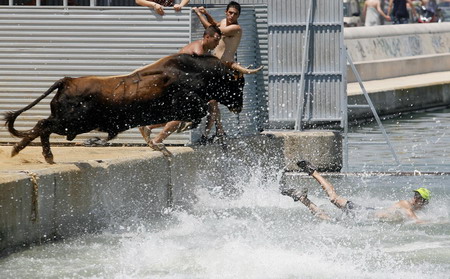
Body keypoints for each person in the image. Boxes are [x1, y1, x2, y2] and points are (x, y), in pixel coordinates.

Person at [138, 25, 223, 155]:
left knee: (187, 115)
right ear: (207, 37)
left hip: (177, 81)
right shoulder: (198, 52)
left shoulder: (204, 51)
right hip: (174, 82)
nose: (217, 43)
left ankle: (149, 126)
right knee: (184, 116)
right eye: (216, 40)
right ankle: (158, 140)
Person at [193, 1, 261, 144]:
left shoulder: (237, 28)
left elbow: (213, 31)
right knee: (213, 103)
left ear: (239, 15)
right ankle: (220, 131)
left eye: (235, 14)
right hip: (214, 67)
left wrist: (199, 14)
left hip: (225, 69)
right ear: (226, 12)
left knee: (213, 102)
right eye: (230, 12)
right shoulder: (224, 22)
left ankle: (206, 136)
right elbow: (216, 25)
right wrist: (207, 14)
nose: (232, 16)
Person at [282, 160, 431, 223]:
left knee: (327, 218)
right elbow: (415, 220)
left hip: (363, 218)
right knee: (333, 199)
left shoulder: (411, 208)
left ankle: (301, 197)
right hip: (362, 213)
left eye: (418, 197)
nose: (414, 198)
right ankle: (313, 172)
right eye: (415, 195)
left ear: (423, 202)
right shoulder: (405, 204)